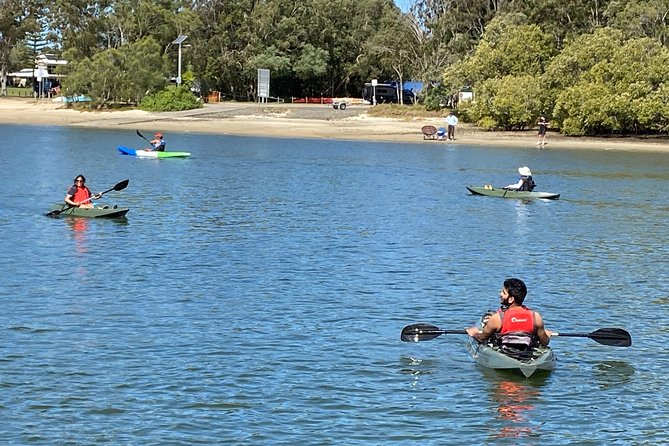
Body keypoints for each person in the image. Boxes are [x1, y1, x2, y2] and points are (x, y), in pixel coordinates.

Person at [466, 278, 552, 353]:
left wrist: (474, 334)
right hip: (526, 350)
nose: (500, 294)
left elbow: (482, 338)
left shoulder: (497, 318)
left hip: (505, 353)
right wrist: (546, 335)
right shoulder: (536, 317)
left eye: (503, 292)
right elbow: (544, 342)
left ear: (511, 299)